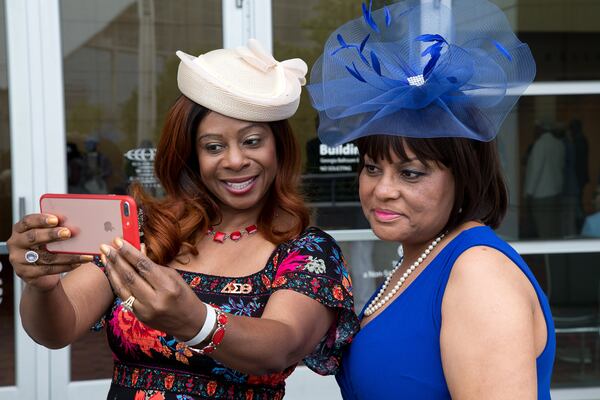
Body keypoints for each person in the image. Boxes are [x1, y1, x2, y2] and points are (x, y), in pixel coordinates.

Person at [8, 39, 359, 400]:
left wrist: (195, 320)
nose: (235, 160)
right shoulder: (148, 231)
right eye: (214, 146)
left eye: (252, 141)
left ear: (278, 148)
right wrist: (42, 285)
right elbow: (55, 331)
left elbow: (279, 347)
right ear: (192, 156)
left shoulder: (306, 252)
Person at [307, 0, 555, 399]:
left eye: (410, 173)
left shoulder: (478, 272)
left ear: (463, 177)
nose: (382, 189)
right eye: (372, 168)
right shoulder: (420, 255)